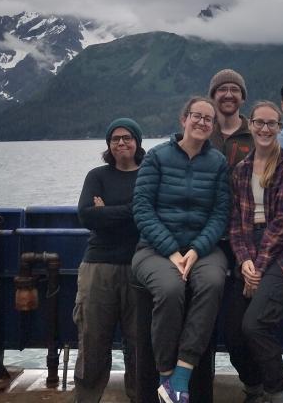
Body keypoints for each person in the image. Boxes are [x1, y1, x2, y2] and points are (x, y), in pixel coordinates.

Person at [131, 96, 231, 403]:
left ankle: (182, 374)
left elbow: (220, 213)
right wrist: (172, 250)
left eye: (208, 119)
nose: (201, 122)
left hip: (203, 249)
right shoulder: (158, 157)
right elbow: (142, 208)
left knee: (213, 282)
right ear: (183, 119)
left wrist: (198, 249)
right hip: (154, 249)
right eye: (196, 116)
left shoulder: (218, 162)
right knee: (171, 288)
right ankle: (164, 376)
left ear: (213, 126)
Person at [224, 101, 283, 403]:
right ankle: (253, 386)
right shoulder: (239, 171)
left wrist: (257, 267)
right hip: (248, 250)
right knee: (233, 331)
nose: (264, 128)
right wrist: (245, 260)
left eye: (271, 124)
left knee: (255, 324)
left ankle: (278, 391)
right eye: (259, 122)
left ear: (277, 128)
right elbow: (235, 223)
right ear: (250, 125)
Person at [74, 118, 145, 403]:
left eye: (127, 137)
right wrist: (130, 211)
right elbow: (86, 215)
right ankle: (87, 398)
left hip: (139, 266)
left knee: (139, 342)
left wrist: (107, 212)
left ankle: (140, 396)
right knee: (92, 340)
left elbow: (146, 214)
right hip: (98, 266)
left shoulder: (148, 174)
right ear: (108, 145)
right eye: (115, 139)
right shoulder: (97, 175)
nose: (121, 143)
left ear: (137, 142)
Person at [208, 69, 253, 167]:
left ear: (242, 98)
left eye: (235, 90)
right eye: (222, 89)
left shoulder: (255, 134)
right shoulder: (203, 132)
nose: (228, 95)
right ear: (213, 97)